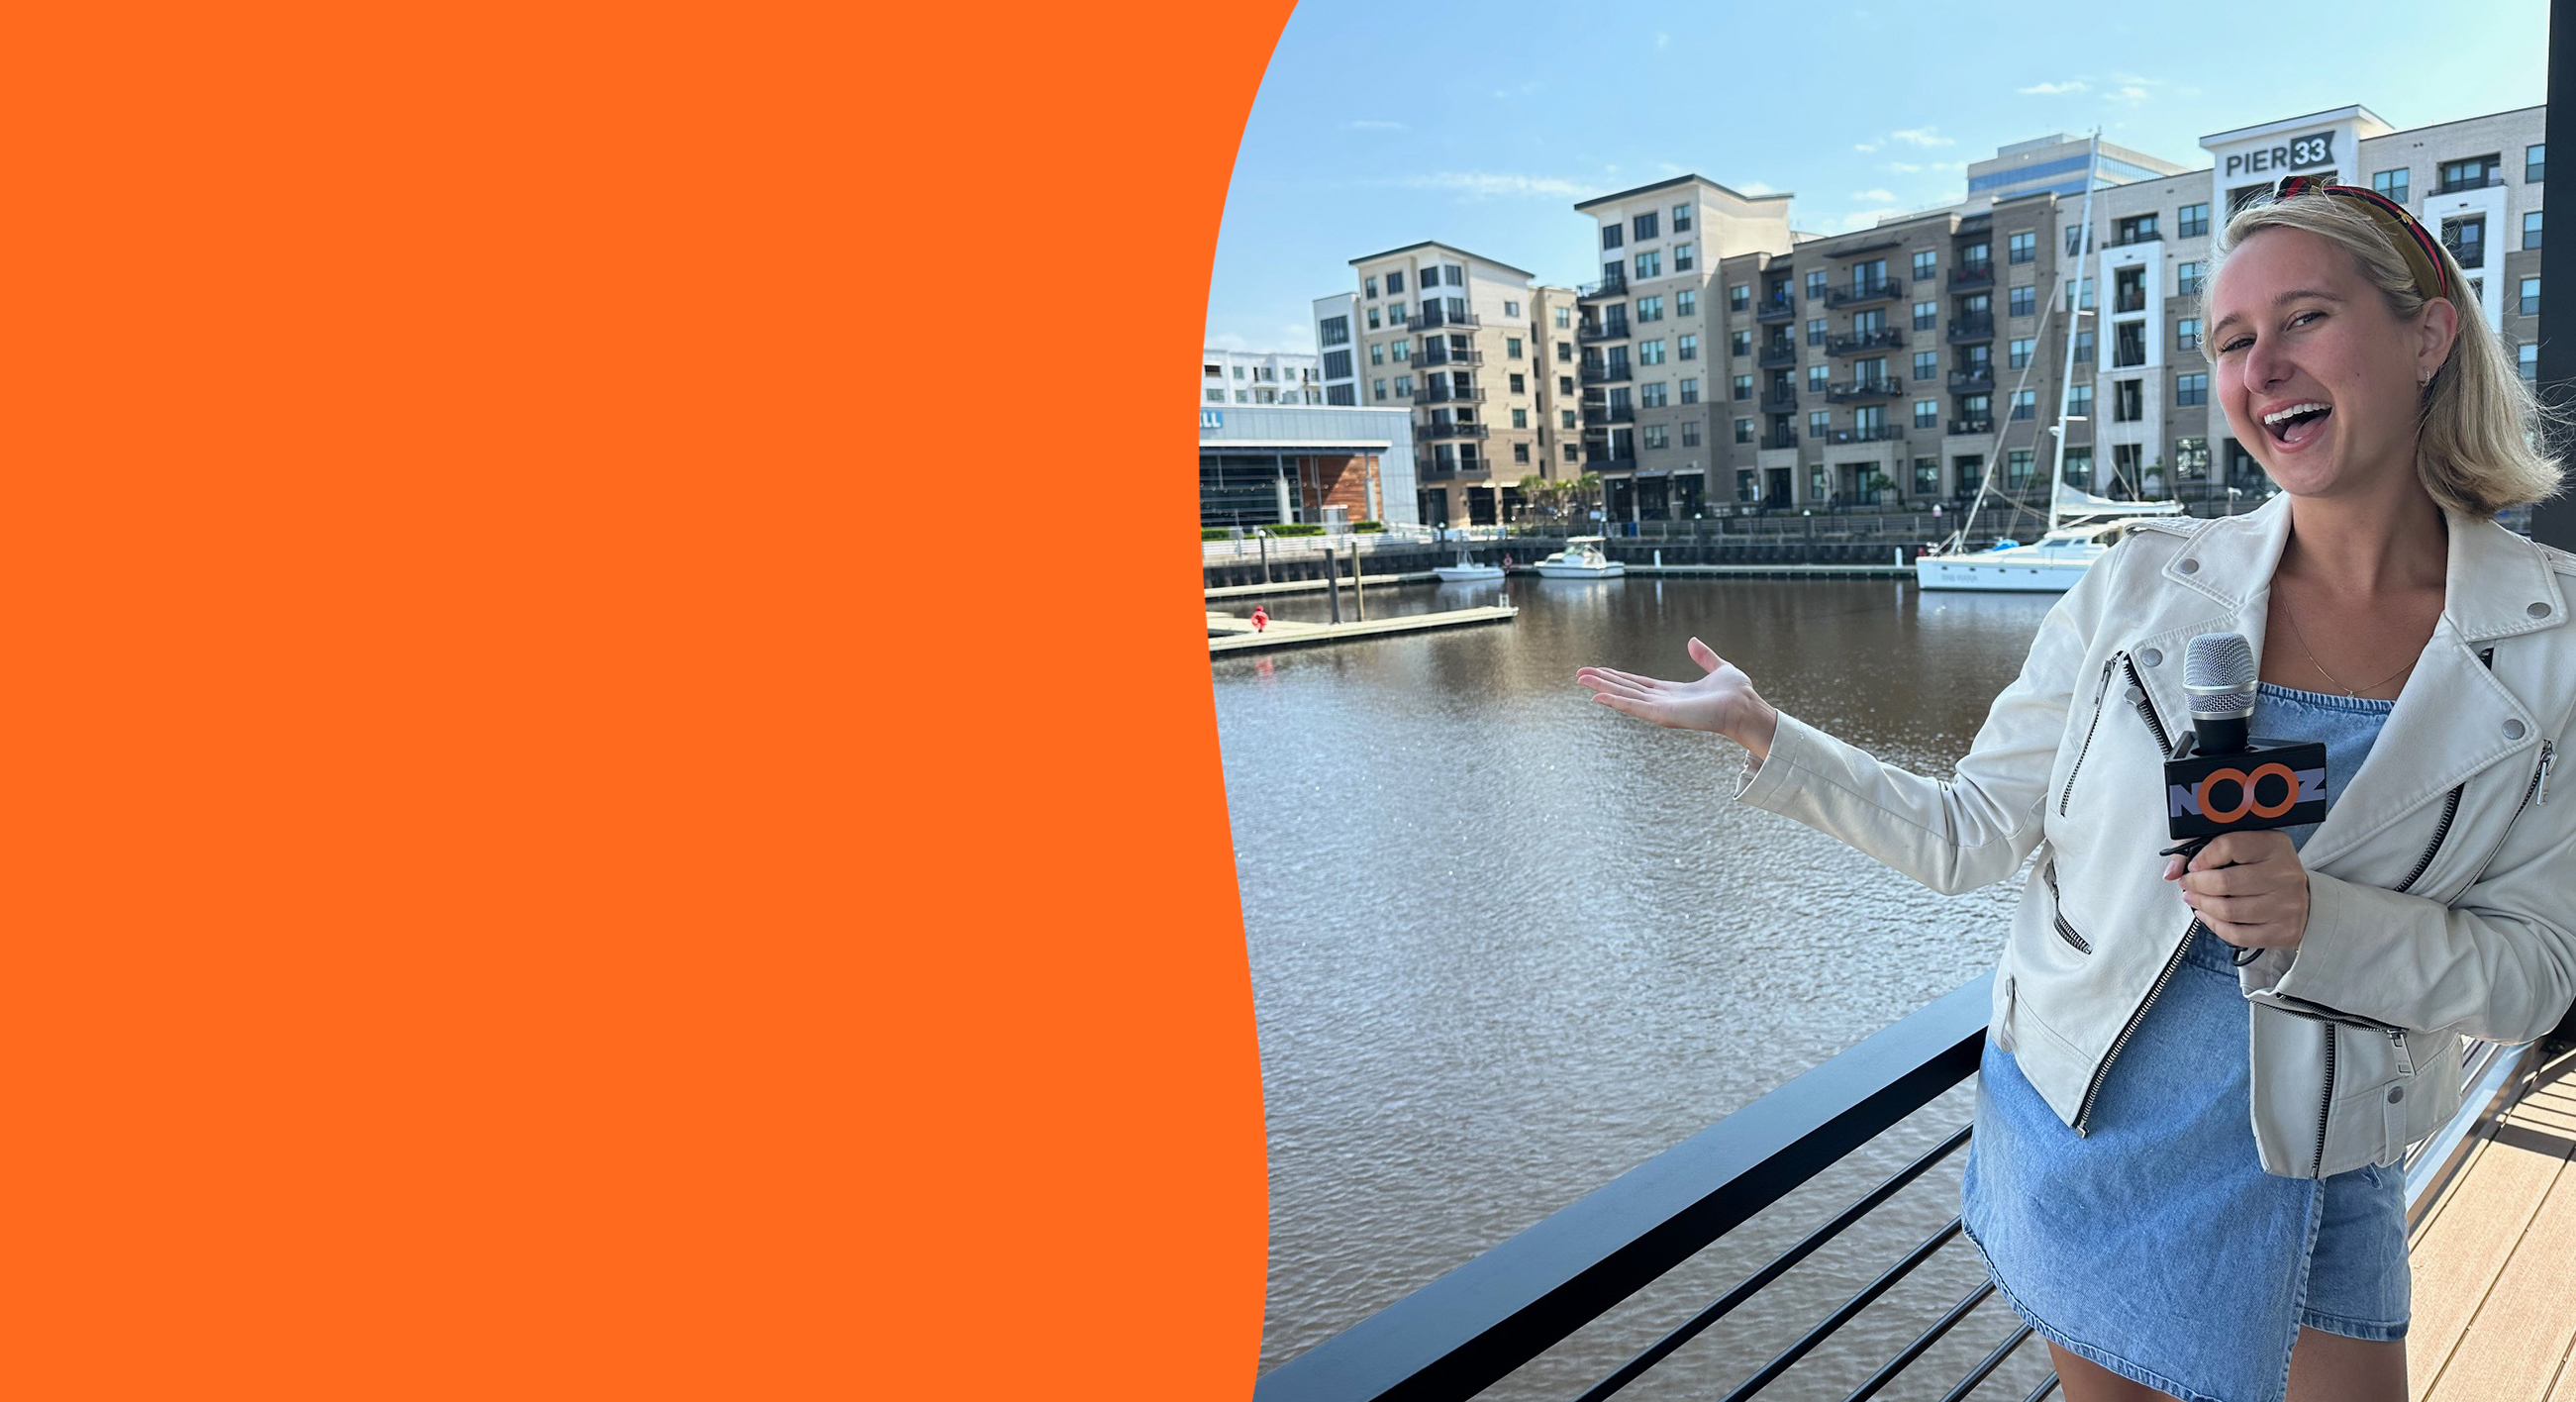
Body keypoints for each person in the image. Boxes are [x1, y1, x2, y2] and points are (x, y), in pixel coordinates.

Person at [1577, 176, 2576, 1402]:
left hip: (2323, 1160)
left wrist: (2321, 921)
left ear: (2425, 337)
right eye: (2229, 341)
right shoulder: (2136, 588)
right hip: (2087, 1131)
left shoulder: (2552, 640)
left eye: (2304, 319)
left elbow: (2536, 974)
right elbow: (1967, 833)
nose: (2261, 368)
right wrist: (1764, 732)